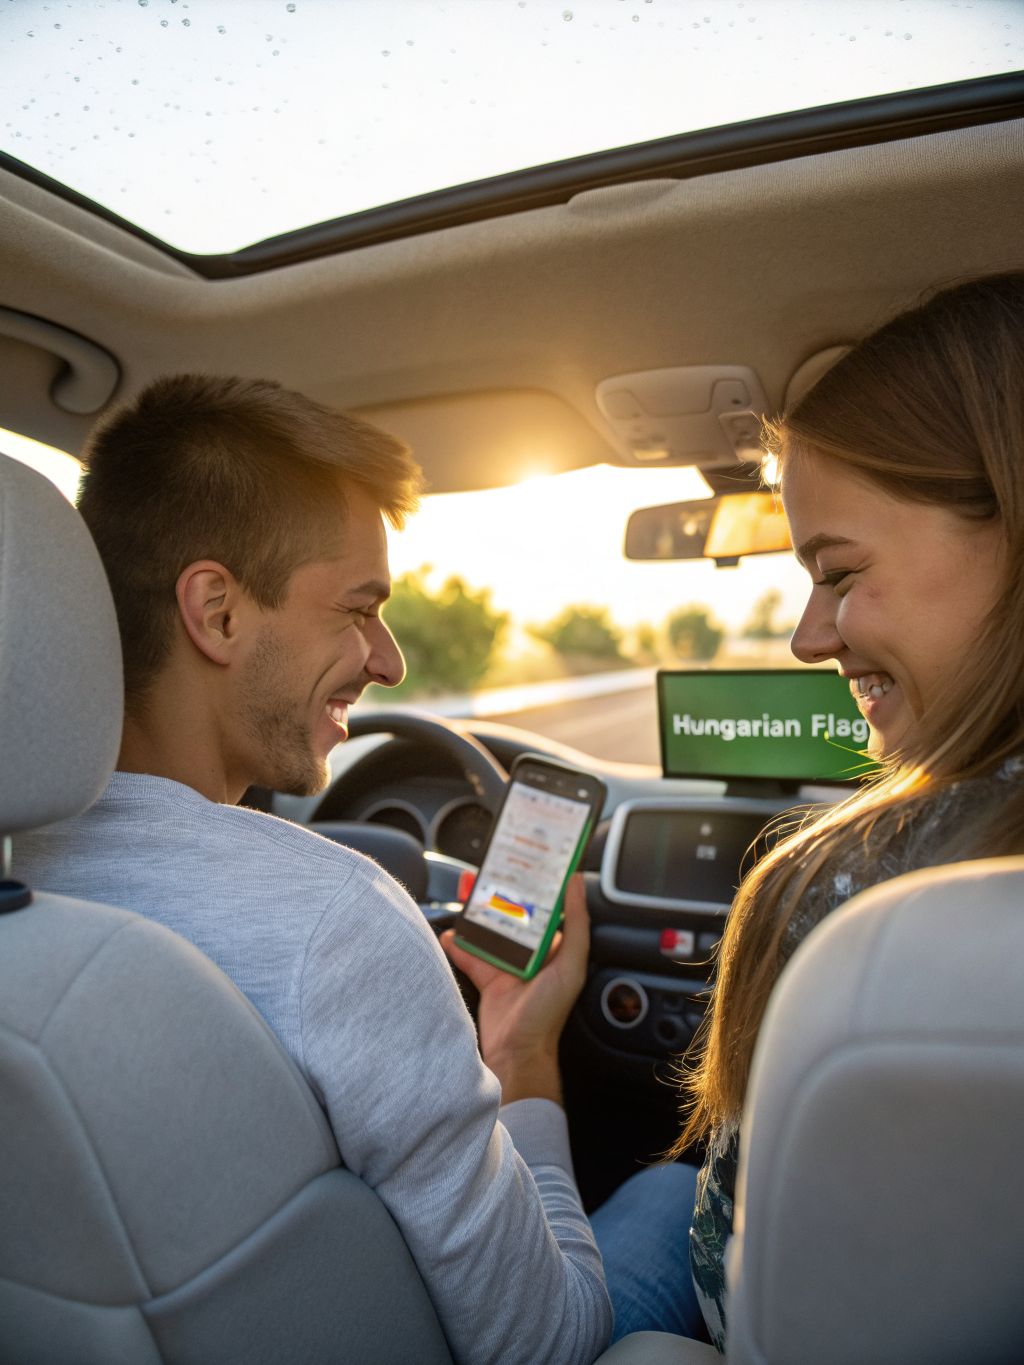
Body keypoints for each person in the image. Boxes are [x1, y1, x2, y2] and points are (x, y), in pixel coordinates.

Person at [14, 374, 611, 1365]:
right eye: (358, 608)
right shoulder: (331, 922)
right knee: (677, 1195)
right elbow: (545, 1342)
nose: (388, 661)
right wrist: (522, 1056)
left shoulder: (26, 895)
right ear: (217, 612)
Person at [676, 272, 1024, 1351]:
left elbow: (741, 1281)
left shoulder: (850, 889)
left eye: (838, 573)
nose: (807, 637)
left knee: (649, 1203)